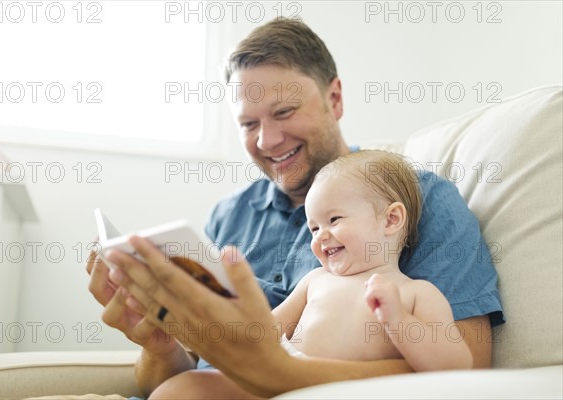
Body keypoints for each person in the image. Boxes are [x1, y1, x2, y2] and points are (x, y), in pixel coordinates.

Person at [88, 17, 503, 399]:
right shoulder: (228, 217)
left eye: (284, 111)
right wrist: (160, 345)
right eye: (249, 124)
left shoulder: (419, 198)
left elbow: (465, 374)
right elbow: (176, 379)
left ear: (334, 98)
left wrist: (277, 371)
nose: (267, 141)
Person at [273, 149, 472, 372]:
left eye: (334, 219)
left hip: (345, 386)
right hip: (284, 374)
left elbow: (456, 366)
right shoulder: (315, 280)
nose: (320, 236)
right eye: (314, 228)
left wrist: (399, 320)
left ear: (391, 220)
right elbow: (266, 330)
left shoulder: (416, 294)